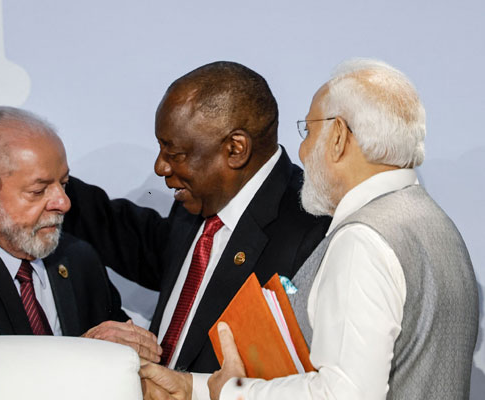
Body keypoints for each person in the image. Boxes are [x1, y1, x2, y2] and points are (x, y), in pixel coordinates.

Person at [140, 59, 479, 400]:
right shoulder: (440, 228)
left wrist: (232, 393)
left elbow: (343, 394)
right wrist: (193, 387)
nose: (301, 152)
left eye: (309, 131)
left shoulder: (362, 240)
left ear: (338, 137)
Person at [63, 61, 330, 396]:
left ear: (235, 149)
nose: (160, 166)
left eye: (174, 154)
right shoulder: (201, 201)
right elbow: (135, 239)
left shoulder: (316, 231)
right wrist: (44, 183)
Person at [0, 106, 161, 361]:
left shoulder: (80, 259)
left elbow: (124, 356)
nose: (64, 203)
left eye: (64, 184)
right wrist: (77, 354)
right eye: (38, 191)